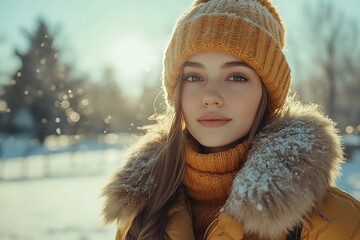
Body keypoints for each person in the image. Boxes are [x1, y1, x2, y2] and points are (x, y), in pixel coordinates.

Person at [102, 0, 360, 239]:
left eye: (236, 77)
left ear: (267, 93)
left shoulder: (335, 222)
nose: (211, 97)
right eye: (194, 77)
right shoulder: (140, 213)